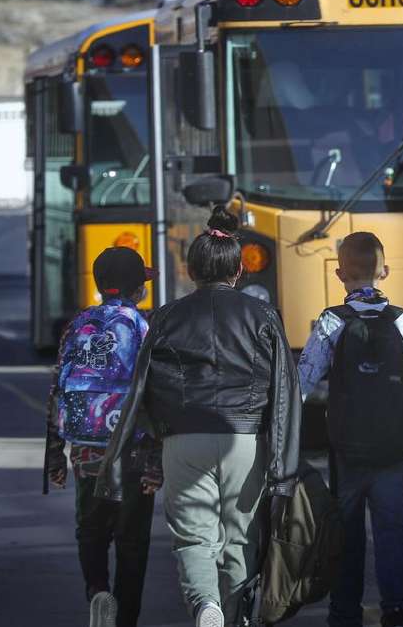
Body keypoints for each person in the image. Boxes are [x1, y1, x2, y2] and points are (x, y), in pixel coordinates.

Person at [98, 207, 301, 627]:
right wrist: (284, 468)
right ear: (240, 269)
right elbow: (285, 392)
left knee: (193, 537)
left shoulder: (166, 317)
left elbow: (142, 389)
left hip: (183, 439)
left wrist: (139, 447)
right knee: (240, 538)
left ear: (190, 270)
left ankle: (205, 604)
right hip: (245, 440)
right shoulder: (263, 316)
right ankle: (233, 614)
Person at [297, 231, 403, 627]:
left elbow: (303, 382)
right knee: (392, 528)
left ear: (340, 274)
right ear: (384, 271)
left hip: (347, 450)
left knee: (347, 532)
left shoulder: (331, 322)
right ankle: (397, 609)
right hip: (393, 448)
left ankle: (344, 612)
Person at [43, 246, 159, 627]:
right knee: (132, 539)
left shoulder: (79, 325)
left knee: (91, 529)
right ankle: (125, 616)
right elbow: (155, 394)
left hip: (87, 450)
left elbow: (58, 387)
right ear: (137, 290)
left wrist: (56, 454)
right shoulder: (143, 327)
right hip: (132, 450)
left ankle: (97, 591)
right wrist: (156, 460)